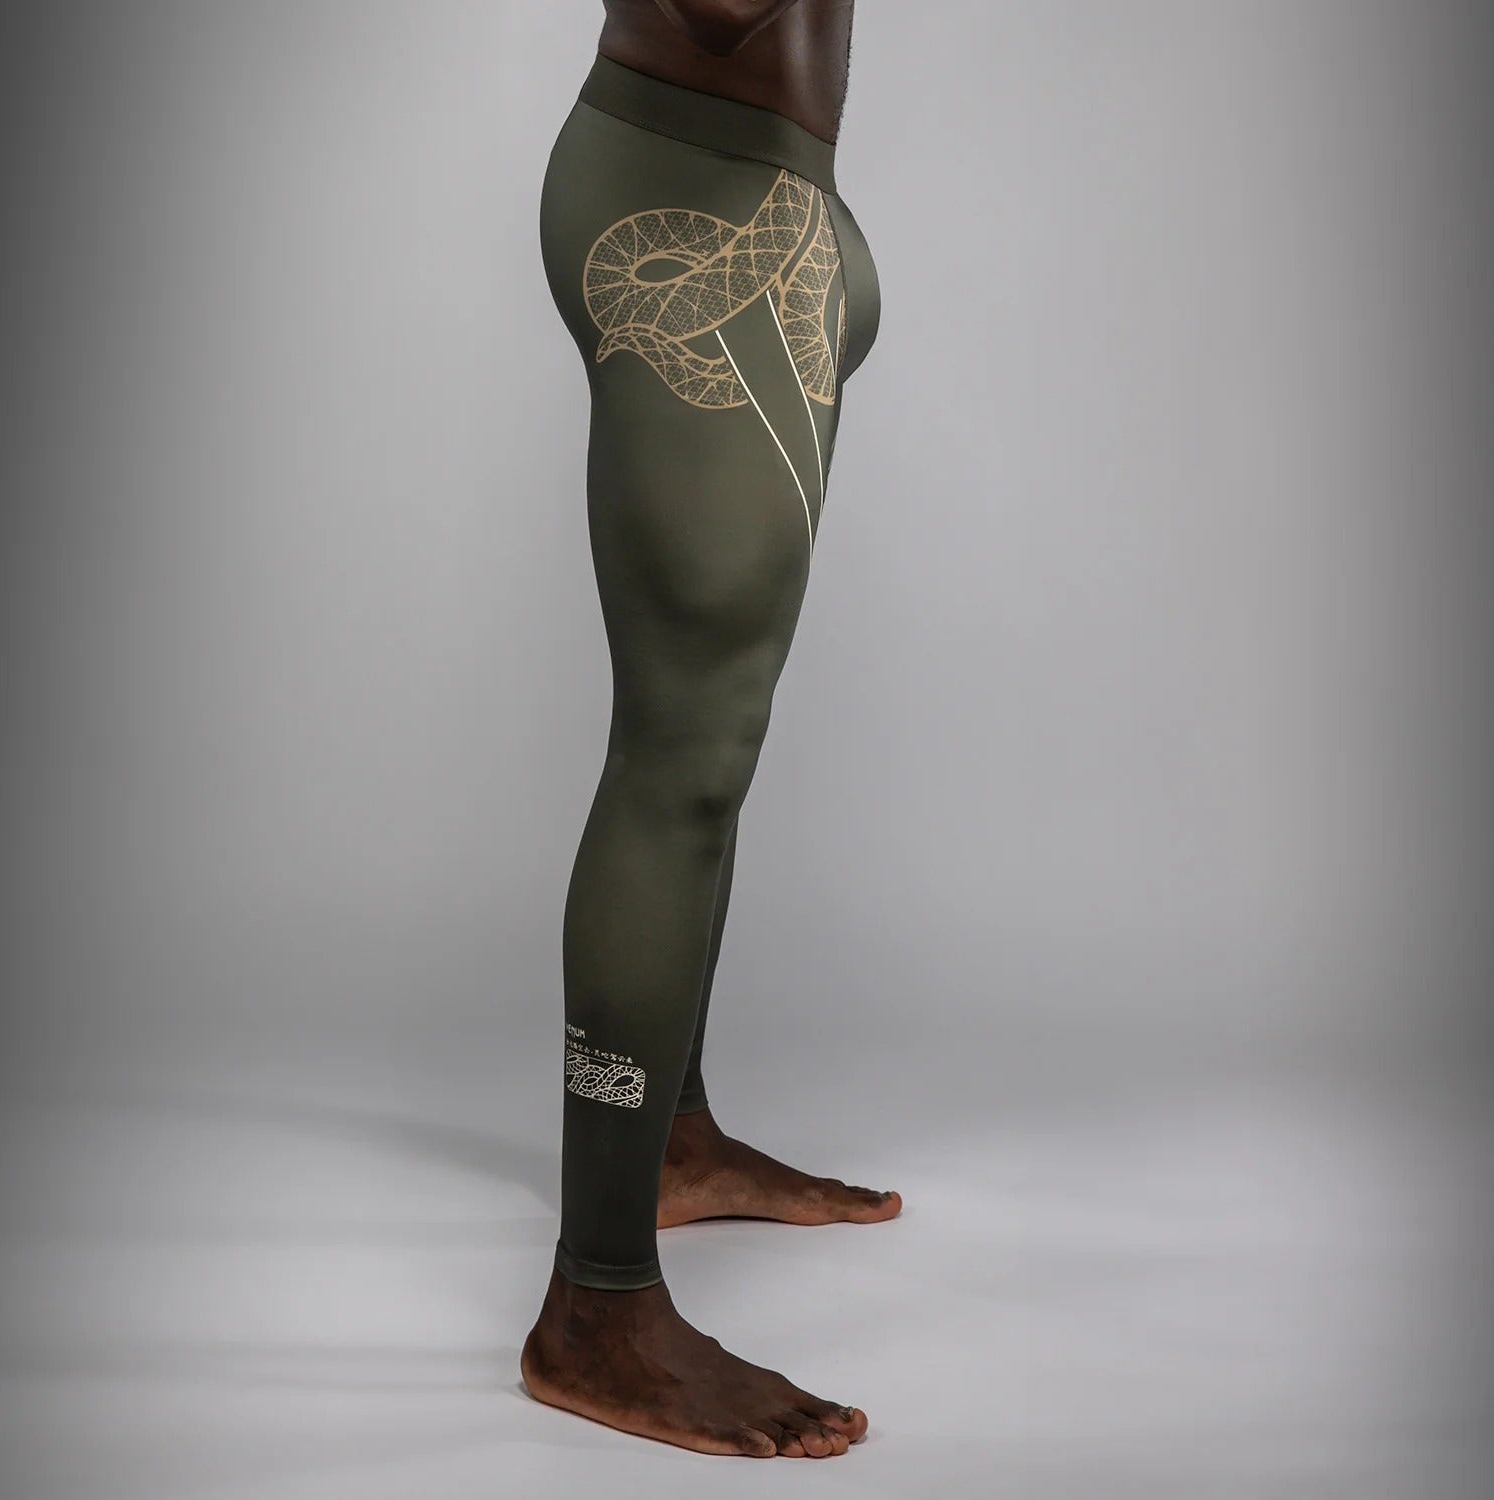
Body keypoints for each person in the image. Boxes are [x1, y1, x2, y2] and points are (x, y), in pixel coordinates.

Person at [521, 1, 892, 1459]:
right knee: (681, 755)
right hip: (687, 194)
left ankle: (671, 1138)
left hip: (774, 194)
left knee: (714, 745)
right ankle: (597, 1306)